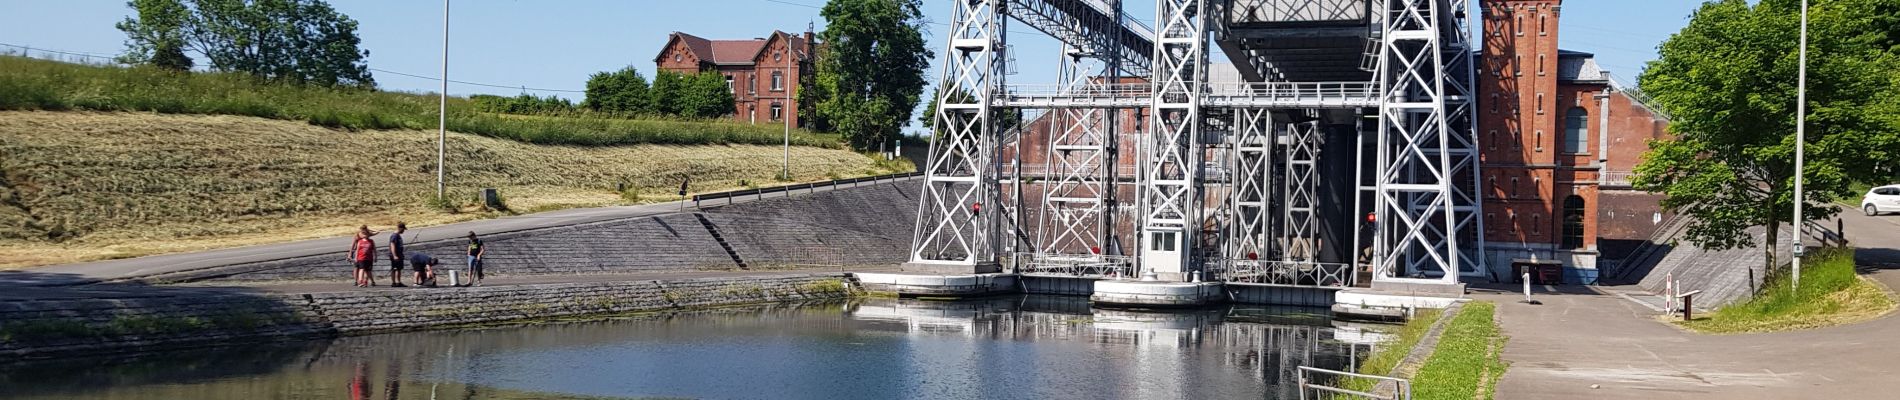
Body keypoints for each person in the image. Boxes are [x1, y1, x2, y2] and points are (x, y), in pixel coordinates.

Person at [387, 222, 408, 288]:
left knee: (398, 269)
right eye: (403, 229)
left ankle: (398, 282)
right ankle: (395, 282)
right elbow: (392, 245)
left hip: (399, 254)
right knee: (395, 268)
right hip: (395, 255)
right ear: (400, 228)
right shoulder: (395, 235)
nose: (404, 231)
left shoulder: (398, 236)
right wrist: (394, 255)